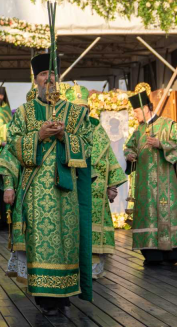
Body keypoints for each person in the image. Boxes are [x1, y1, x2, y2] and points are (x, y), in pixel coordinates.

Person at [0, 53, 93, 319]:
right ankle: (45, 297)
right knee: (41, 244)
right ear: (35, 80)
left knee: (65, 242)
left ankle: (65, 293)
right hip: (35, 191)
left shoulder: (74, 111)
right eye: (43, 75)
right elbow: (11, 145)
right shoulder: (23, 113)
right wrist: (38, 136)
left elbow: (88, 145)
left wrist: (63, 136)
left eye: (52, 75)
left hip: (66, 191)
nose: (49, 80)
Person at [124, 88, 177, 266]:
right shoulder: (139, 130)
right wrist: (129, 155)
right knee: (148, 216)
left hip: (166, 183)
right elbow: (129, 147)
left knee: (167, 215)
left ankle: (171, 253)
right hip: (145, 186)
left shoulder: (169, 124)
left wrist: (161, 144)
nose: (134, 114)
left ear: (146, 108)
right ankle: (152, 255)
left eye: (136, 110)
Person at [67, 85, 126, 279]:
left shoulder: (95, 126)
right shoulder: (63, 130)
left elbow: (107, 155)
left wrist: (111, 185)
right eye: (77, 108)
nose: (81, 112)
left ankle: (92, 268)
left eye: (84, 108)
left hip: (97, 190)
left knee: (94, 227)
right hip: (72, 187)